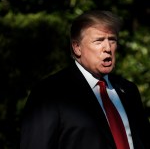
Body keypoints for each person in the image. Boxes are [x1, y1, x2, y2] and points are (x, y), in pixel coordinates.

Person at [20, 10, 150, 149]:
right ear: (77, 48)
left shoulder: (128, 90)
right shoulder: (49, 93)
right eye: (98, 41)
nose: (107, 48)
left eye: (112, 40)